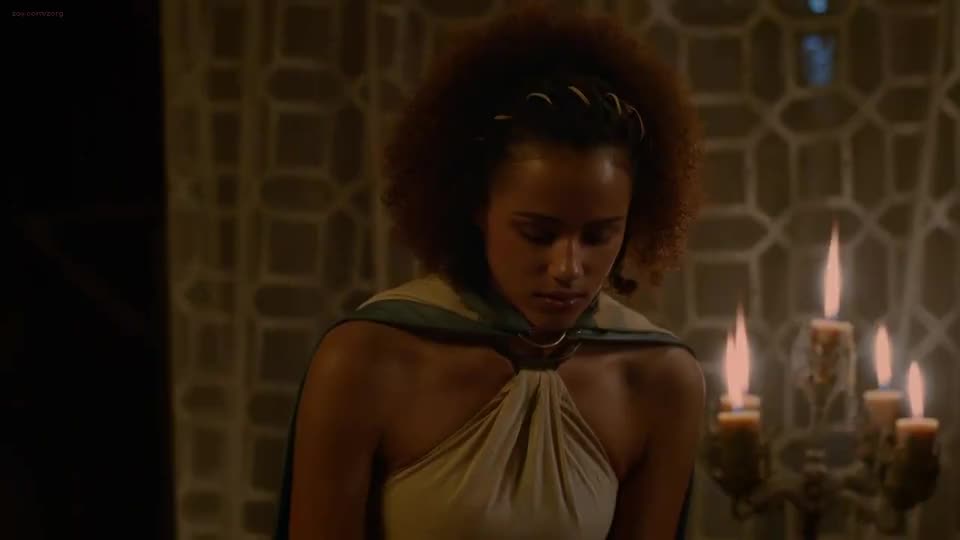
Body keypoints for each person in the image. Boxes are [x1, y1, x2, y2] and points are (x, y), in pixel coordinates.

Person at [274, 4, 705, 539]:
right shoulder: (366, 360)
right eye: (537, 233)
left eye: (599, 236)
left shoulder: (658, 379)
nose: (568, 267)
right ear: (477, 205)